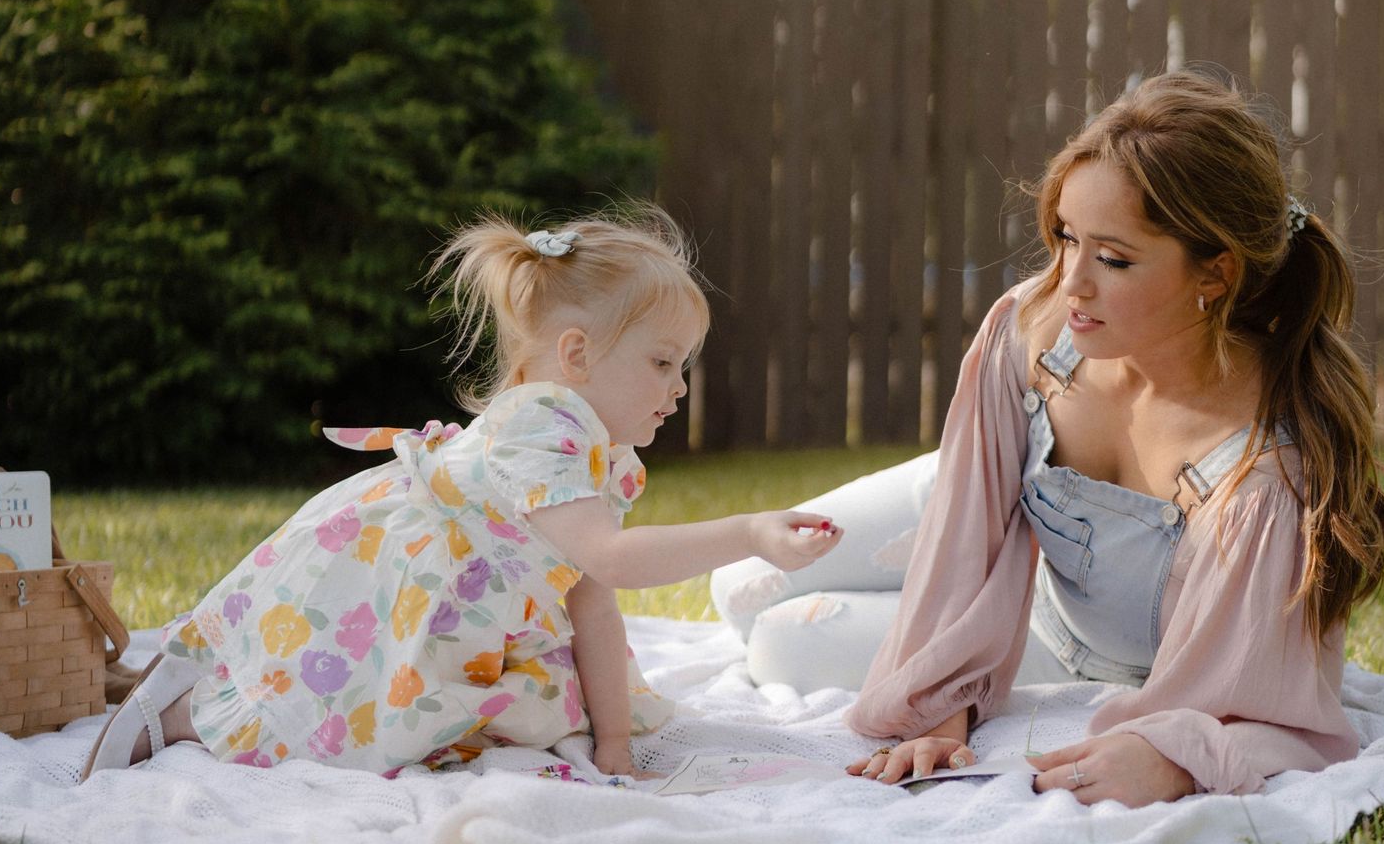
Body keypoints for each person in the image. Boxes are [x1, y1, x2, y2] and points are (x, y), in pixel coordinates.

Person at [711, 69, 1384, 805]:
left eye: (1113, 257)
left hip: (1085, 647)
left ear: (1216, 272)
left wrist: (1171, 757)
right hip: (974, 502)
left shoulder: (1262, 469)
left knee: (778, 638)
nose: (1071, 281)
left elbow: (1267, 706)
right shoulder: (1034, 329)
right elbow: (965, 525)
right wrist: (944, 698)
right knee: (740, 583)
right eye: (1067, 237)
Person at [83, 207, 841, 779]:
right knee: (329, 712)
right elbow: (611, 558)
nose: (678, 389)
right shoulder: (543, 422)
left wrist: (613, 742)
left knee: (518, 708)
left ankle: (194, 695)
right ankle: (182, 710)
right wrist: (746, 532)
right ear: (576, 354)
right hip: (390, 584)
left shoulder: (593, 449)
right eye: (663, 361)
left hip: (464, 611)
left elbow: (591, 598)